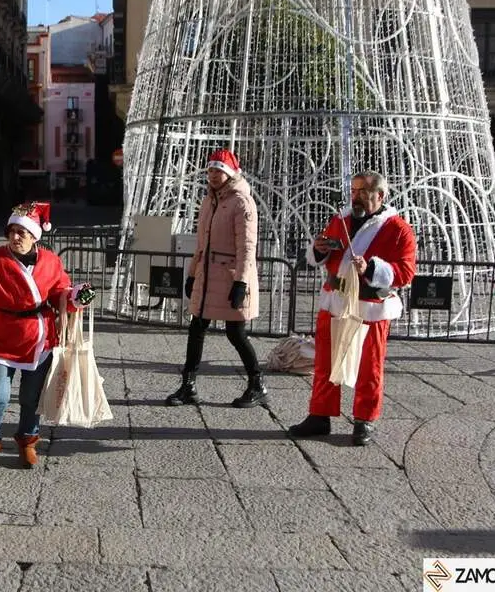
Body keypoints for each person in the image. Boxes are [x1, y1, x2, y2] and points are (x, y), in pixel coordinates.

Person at [0, 201, 95, 474]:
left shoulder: (51, 261)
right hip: (2, 337)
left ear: (35, 236)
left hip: (39, 339)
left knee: (30, 398)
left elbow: (60, 292)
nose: (15, 237)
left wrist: (76, 296)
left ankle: (27, 441)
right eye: (11, 231)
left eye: (22, 232)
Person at [288, 171, 416, 446]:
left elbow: (405, 272)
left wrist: (371, 267)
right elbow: (323, 255)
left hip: (370, 307)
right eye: (353, 190)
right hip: (335, 300)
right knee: (325, 363)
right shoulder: (341, 220)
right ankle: (319, 415)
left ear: (379, 196)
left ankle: (364, 420)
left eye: (362, 191)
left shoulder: (398, 229)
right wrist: (319, 249)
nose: (355, 196)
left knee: (369, 367)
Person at [167, 149, 267, 408]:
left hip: (231, 275)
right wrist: (191, 274)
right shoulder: (209, 200)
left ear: (230, 173)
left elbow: (247, 247)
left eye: (218, 170)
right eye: (210, 170)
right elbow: (201, 244)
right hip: (207, 274)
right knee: (196, 327)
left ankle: (257, 383)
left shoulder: (242, 203)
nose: (212, 175)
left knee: (236, 333)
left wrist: (241, 283)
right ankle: (188, 385)